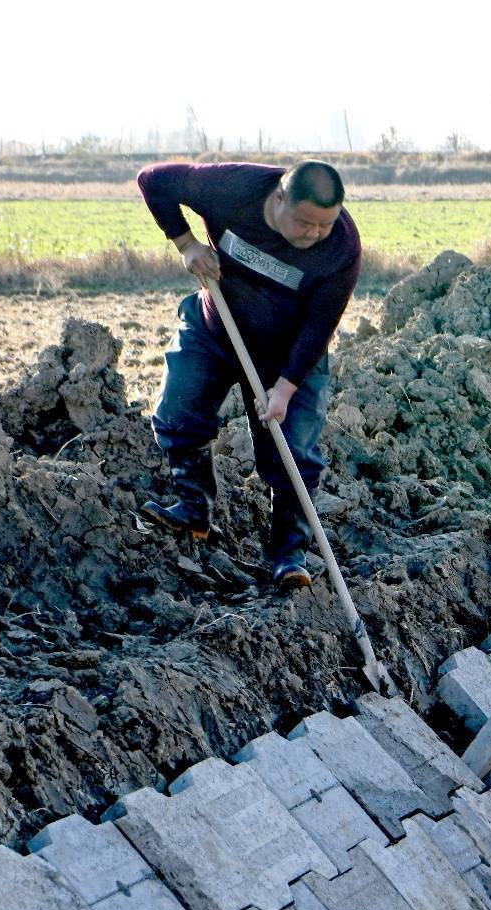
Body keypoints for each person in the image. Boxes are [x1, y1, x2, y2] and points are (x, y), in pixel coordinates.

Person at [136, 159, 361, 589]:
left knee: (292, 451)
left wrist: (285, 388)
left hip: (289, 351)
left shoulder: (341, 249)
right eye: (306, 223)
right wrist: (186, 243)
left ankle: (288, 554)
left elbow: (320, 327)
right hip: (218, 324)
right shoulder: (231, 187)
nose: (315, 234)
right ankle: (192, 509)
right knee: (179, 412)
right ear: (278, 199)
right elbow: (153, 181)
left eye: (325, 226)